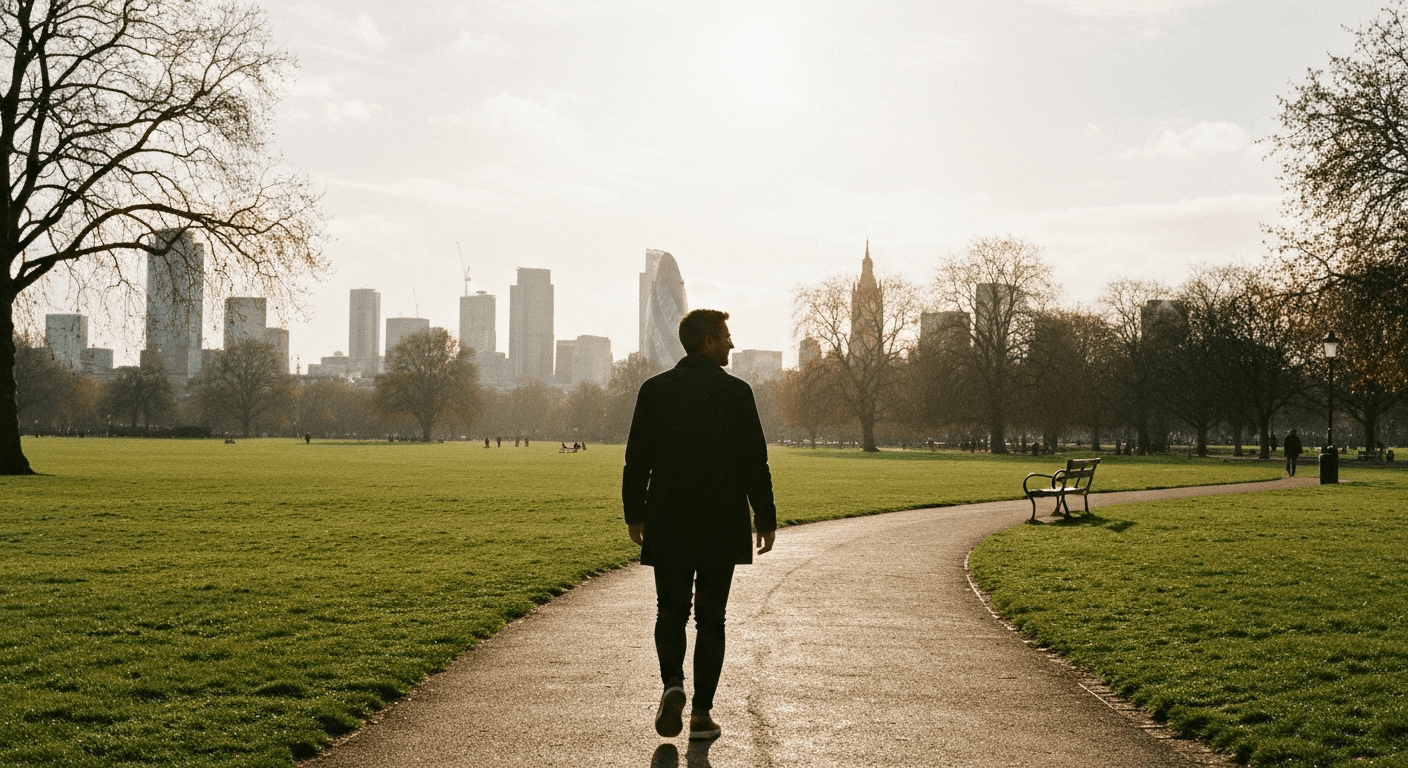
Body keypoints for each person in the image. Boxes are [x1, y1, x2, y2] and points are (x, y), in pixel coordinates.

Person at [623, 309, 777, 743]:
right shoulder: (736, 393)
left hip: (668, 516)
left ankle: (673, 684)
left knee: (670, 610)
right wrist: (764, 517)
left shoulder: (654, 390)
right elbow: (754, 462)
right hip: (720, 520)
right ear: (708, 341)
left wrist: (635, 513)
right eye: (726, 336)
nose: (731, 343)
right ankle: (702, 714)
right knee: (712, 618)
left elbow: (637, 460)